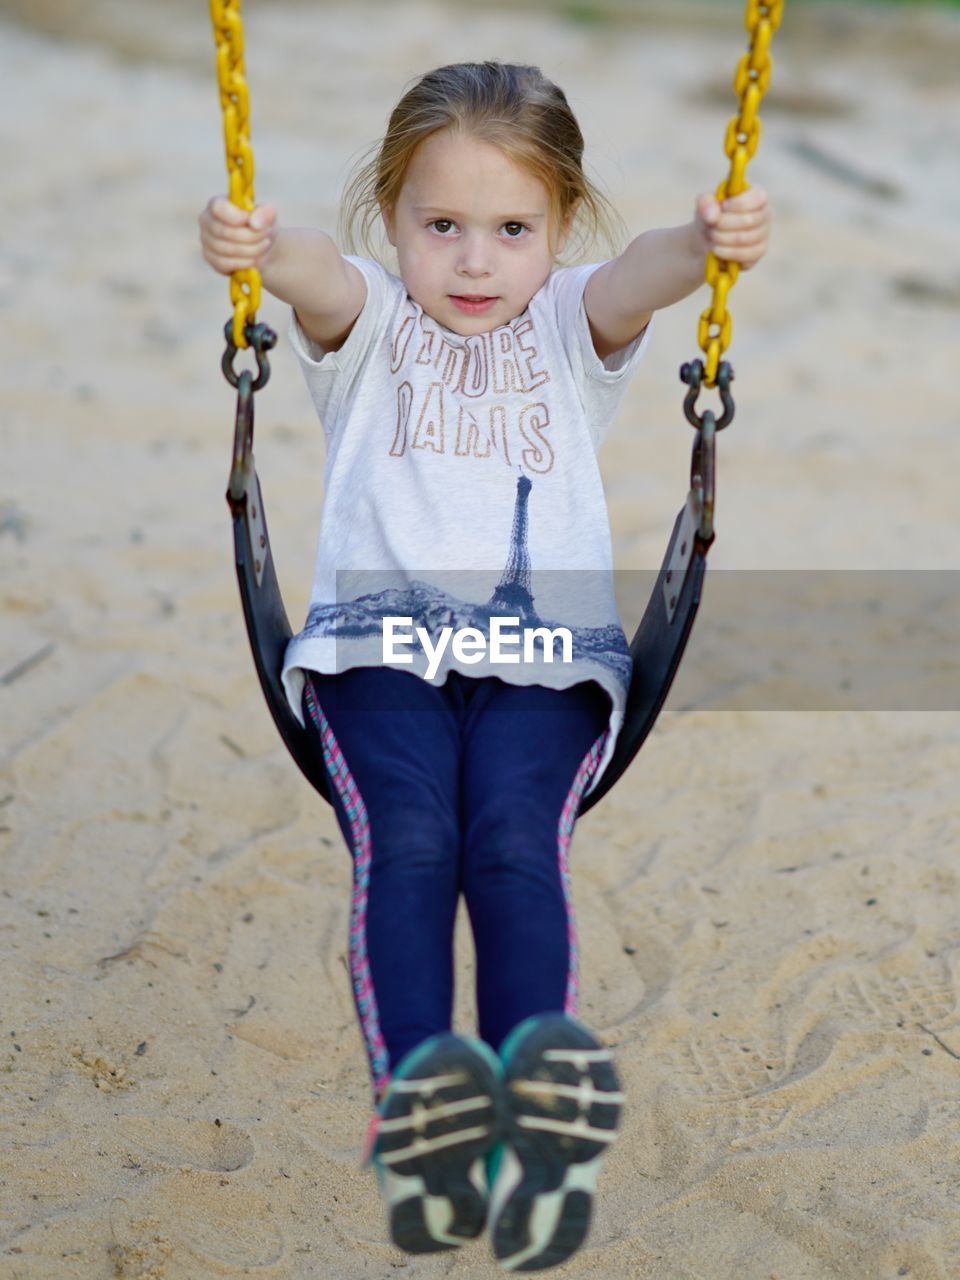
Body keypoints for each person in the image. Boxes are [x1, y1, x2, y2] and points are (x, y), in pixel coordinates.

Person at [200, 60, 770, 1271]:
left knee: (512, 839)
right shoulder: (371, 322)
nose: (473, 261)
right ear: (393, 219)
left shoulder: (571, 324)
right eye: (440, 225)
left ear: (558, 229)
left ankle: (534, 1103)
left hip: (544, 661)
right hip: (379, 654)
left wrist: (702, 238)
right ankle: (423, 1103)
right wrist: (258, 240)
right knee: (409, 836)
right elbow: (307, 272)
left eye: (512, 230)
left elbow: (641, 279)